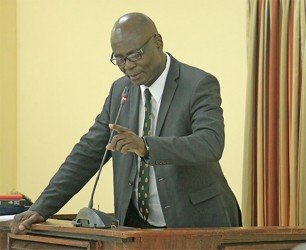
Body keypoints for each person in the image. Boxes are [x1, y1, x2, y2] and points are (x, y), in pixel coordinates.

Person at [10, 12, 242, 233]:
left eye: (135, 54)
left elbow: (210, 143)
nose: (127, 65)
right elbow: (88, 152)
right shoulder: (121, 90)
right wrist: (41, 207)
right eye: (119, 58)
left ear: (158, 43)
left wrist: (146, 146)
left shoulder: (198, 84)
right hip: (136, 227)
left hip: (198, 225)